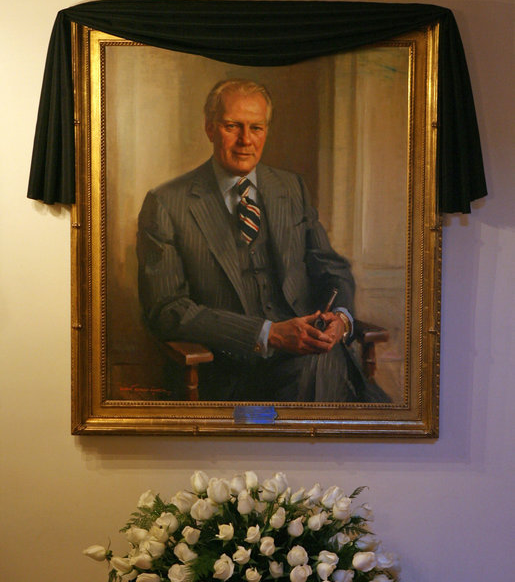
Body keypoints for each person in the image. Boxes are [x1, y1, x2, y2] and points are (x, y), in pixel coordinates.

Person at [136, 78, 389, 403]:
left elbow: (332, 269)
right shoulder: (167, 203)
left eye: (256, 128)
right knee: (318, 372)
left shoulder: (290, 188)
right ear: (210, 129)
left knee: (319, 363)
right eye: (232, 126)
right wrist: (268, 334)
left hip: (313, 359)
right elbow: (166, 309)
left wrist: (340, 319)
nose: (245, 140)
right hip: (230, 372)